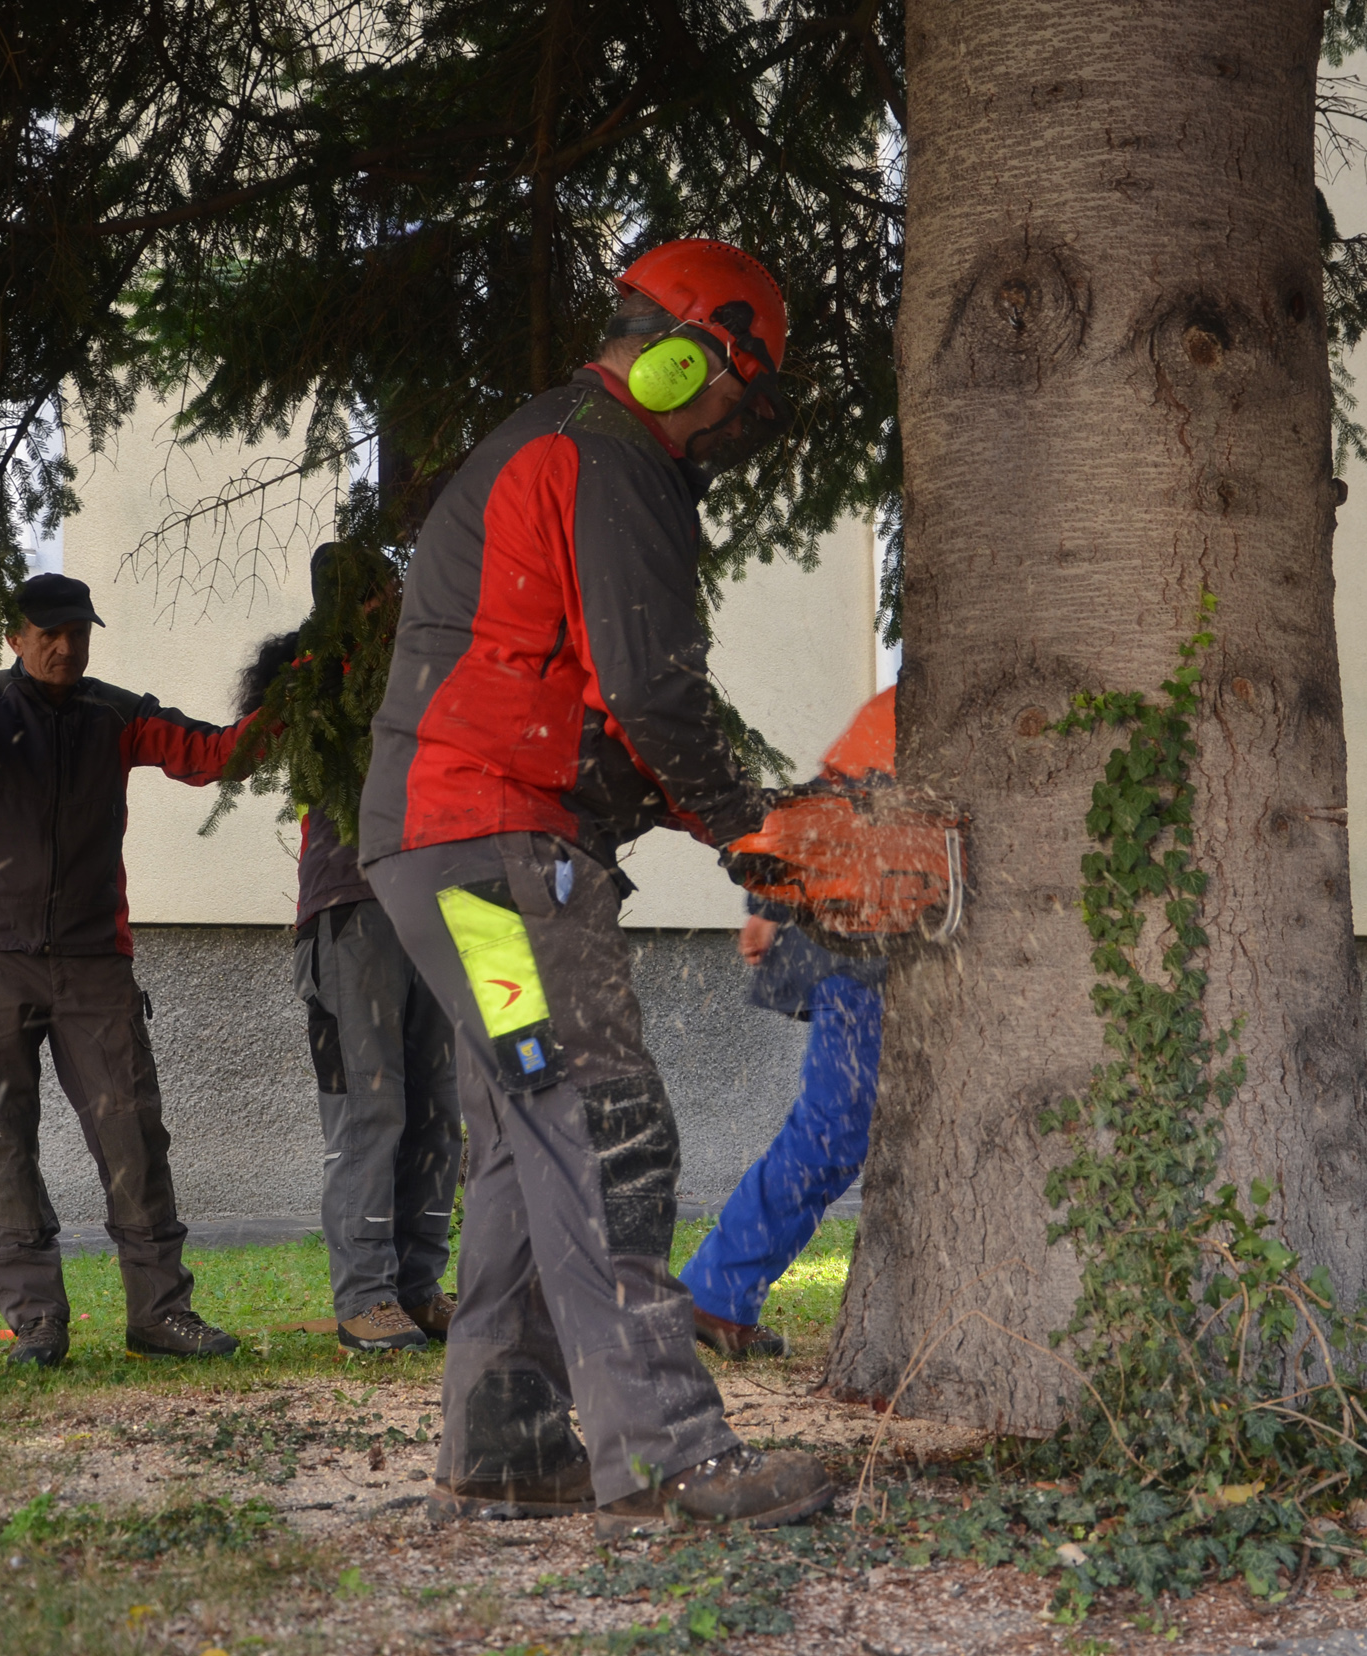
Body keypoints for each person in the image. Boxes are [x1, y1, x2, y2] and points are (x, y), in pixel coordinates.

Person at [358, 237, 834, 1535]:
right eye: (736, 389)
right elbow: (650, 694)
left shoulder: (555, 442)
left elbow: (598, 714)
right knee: (606, 1124)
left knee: (527, 1142)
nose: (732, 423)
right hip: (494, 860)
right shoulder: (611, 454)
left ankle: (505, 1453)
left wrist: (731, 826)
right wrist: (754, 828)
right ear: (687, 354)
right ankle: (671, 1456)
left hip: (454, 850)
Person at [0, 571, 252, 1367]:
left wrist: (301, 697)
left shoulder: (118, 715)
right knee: (8, 1143)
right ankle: (37, 1321)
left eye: (78, 632)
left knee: (132, 1135)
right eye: (48, 633)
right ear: (15, 638)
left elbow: (211, 755)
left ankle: (160, 1313)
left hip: (95, 964)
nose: (66, 647)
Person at [238, 623, 462, 1354]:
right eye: (365, 599)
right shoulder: (311, 681)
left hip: (433, 903)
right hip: (349, 910)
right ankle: (365, 1299)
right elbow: (272, 731)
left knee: (437, 1111)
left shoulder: (424, 662)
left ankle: (419, 1290)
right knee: (370, 1111)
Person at [682, 689, 893, 1361]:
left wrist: (766, 904)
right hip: (854, 946)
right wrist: (767, 902)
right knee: (835, 1128)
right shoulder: (906, 709)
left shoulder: (903, 704)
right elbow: (822, 805)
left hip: (875, 941)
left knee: (838, 1130)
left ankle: (719, 1291)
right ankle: (715, 1292)